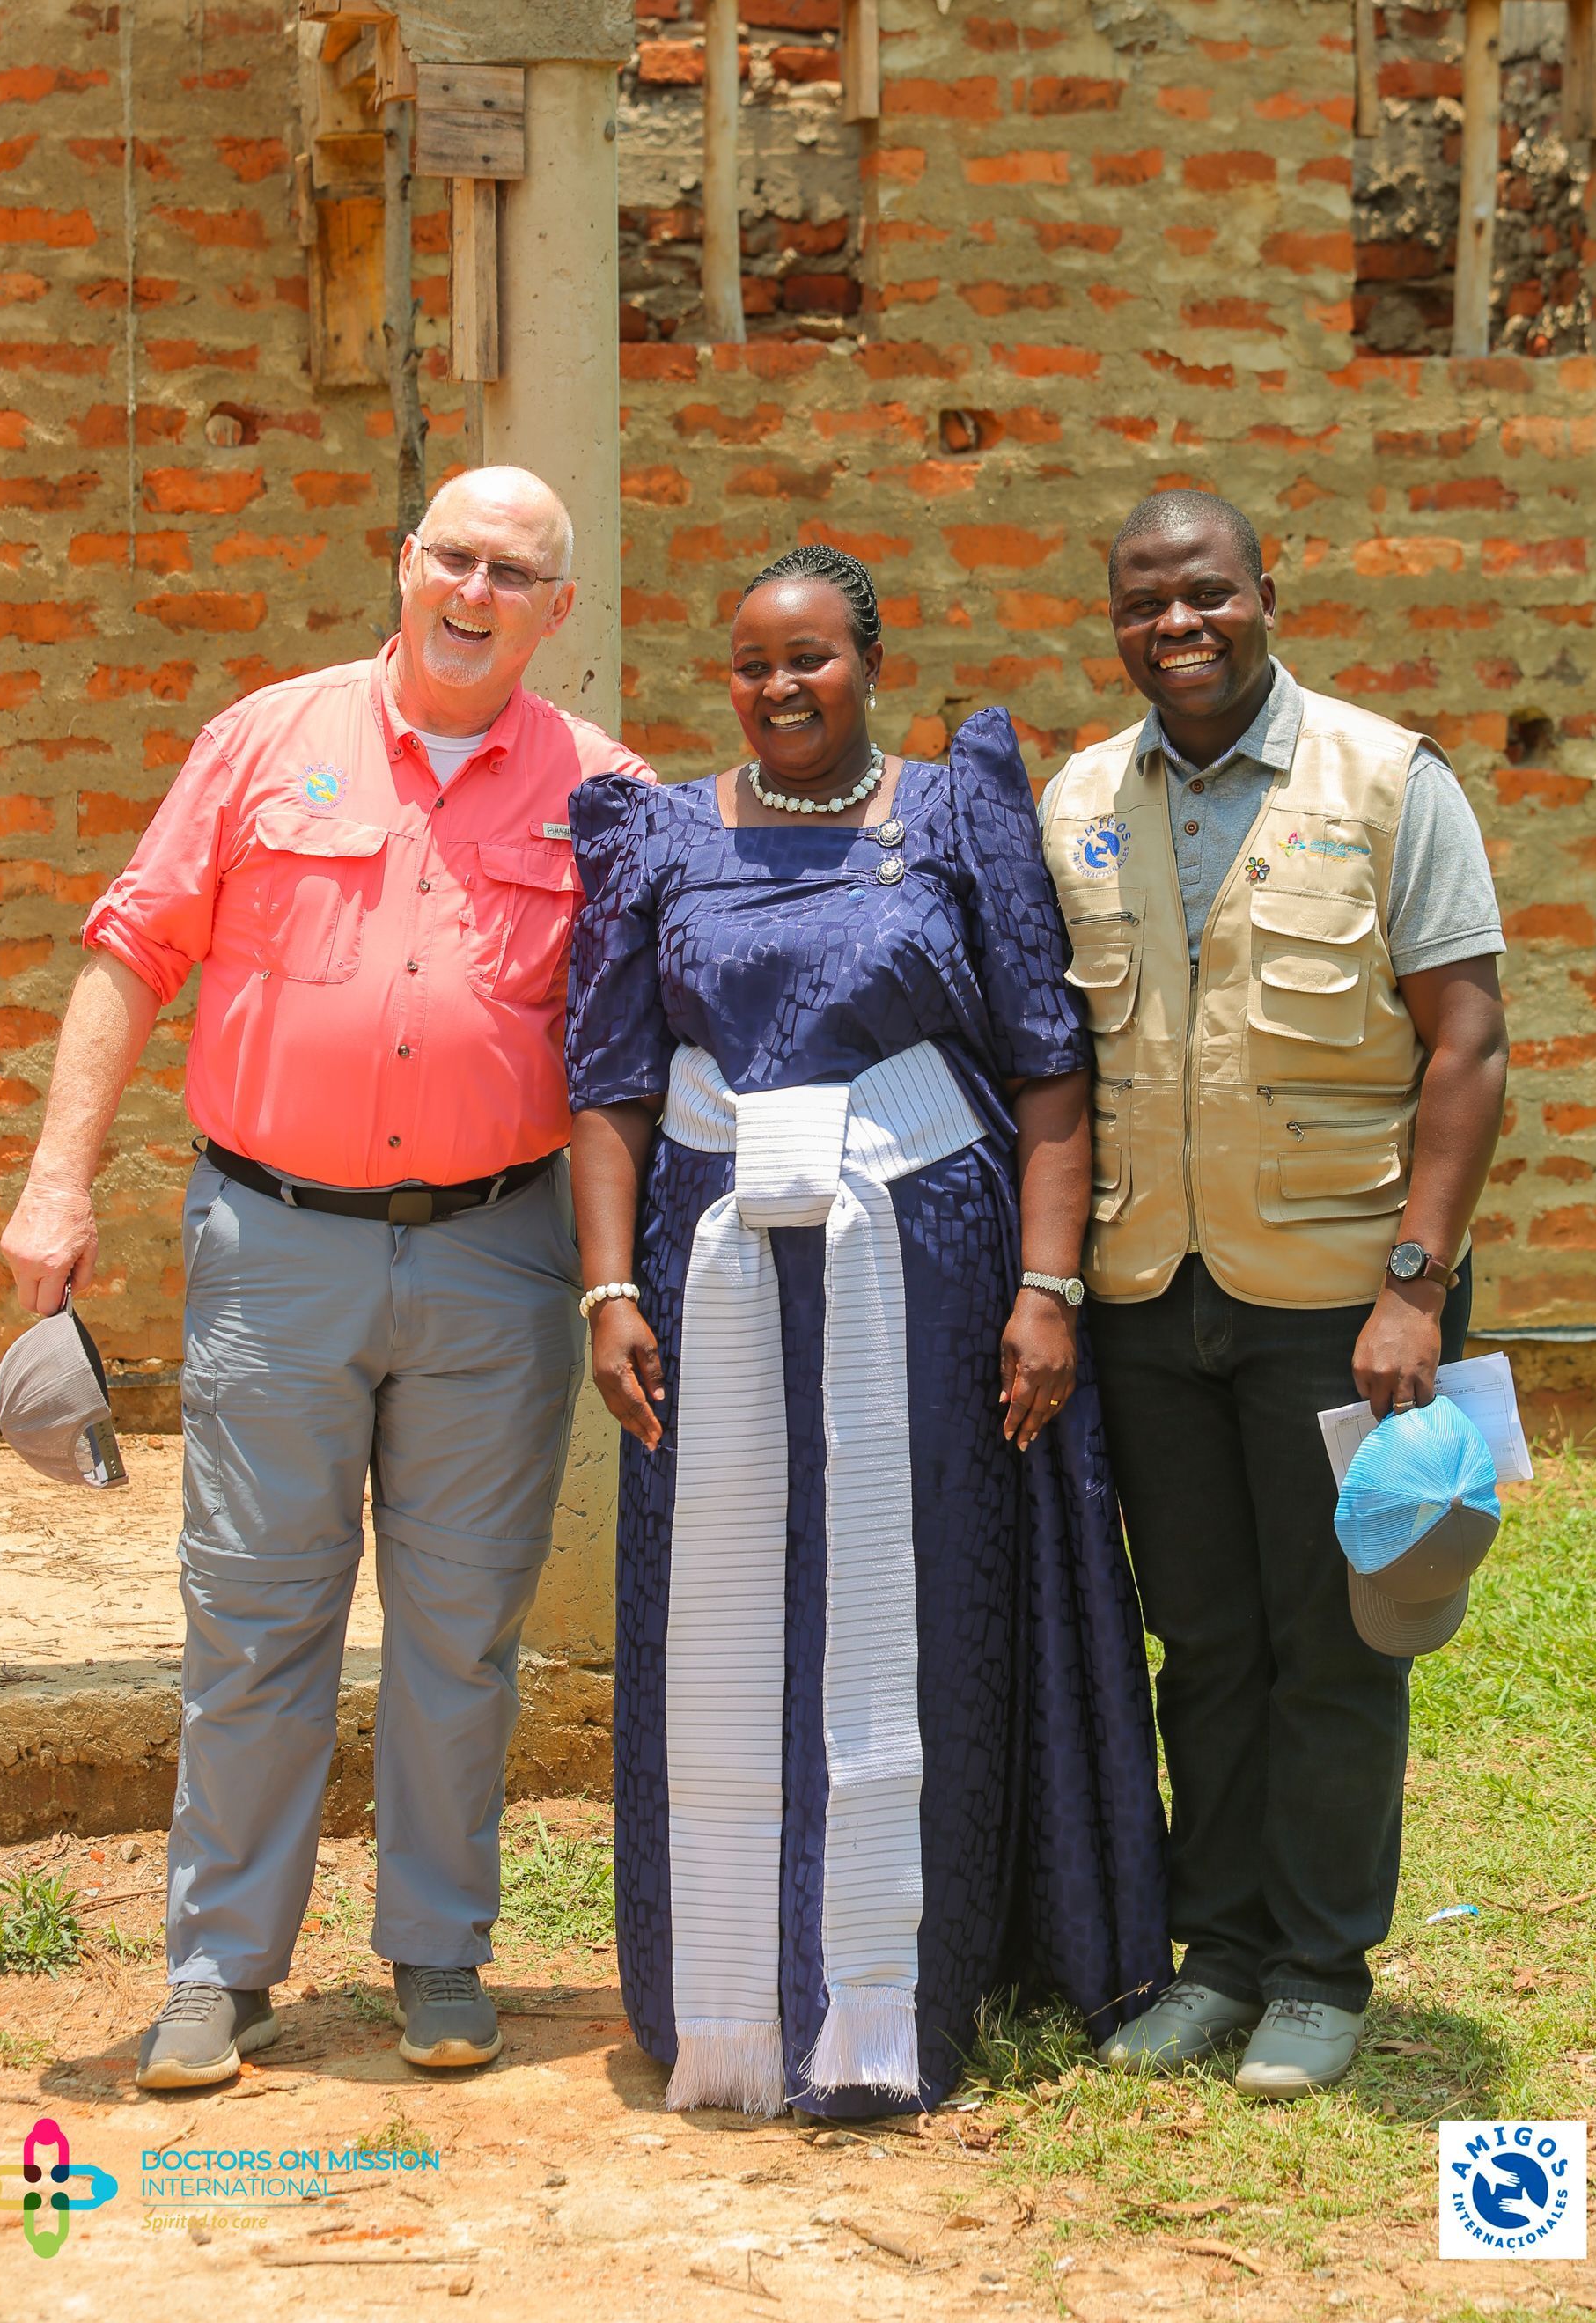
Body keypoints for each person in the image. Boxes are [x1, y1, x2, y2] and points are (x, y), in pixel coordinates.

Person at [0, 466, 651, 2090]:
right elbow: (133, 946)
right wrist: (56, 1178)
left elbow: (644, 1044)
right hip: (273, 1247)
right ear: (403, 560)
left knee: (461, 1630)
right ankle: (221, 1969)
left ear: (556, 613)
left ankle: (438, 1954)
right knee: (255, 1618)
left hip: (500, 1258)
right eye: (455, 556)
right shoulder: (263, 739)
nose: (476, 591)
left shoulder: (605, 788)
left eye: (516, 573)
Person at [564, 544, 1169, 2121]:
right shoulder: (659, 834)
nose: (781, 687)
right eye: (755, 661)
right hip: (712, 1282)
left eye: (813, 657)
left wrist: (1049, 1290)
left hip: (930, 1263)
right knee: (726, 1604)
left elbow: (1048, 1074)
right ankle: (727, 1996)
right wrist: (609, 1287)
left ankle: (904, 1993)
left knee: (914, 1604)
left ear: (872, 663)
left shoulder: (956, 811)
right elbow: (611, 1087)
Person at [1041, 489, 1508, 2099]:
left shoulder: (1387, 781)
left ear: (1265, 595)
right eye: (1144, 602)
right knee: (1205, 1640)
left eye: (1206, 596)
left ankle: (1320, 1968)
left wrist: (1413, 1288)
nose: (1177, 627)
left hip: (1335, 1299)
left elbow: (1469, 1040)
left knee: (1335, 1639)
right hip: (1149, 1295)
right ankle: (1220, 1955)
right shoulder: (1081, 799)